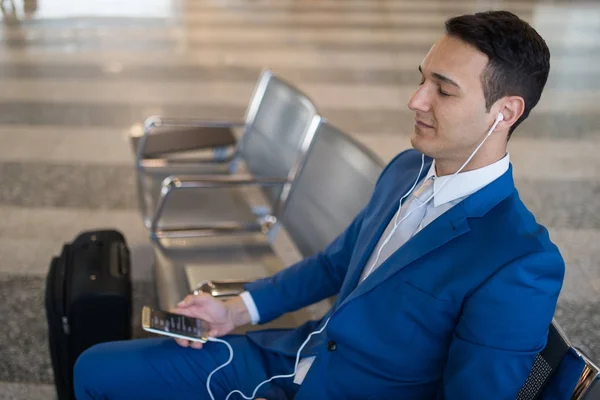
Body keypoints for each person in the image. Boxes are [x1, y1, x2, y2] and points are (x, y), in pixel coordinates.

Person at [74, 10, 564, 400]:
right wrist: (236, 311)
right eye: (422, 79)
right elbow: (336, 263)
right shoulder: (405, 169)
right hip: (291, 358)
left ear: (505, 112)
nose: (416, 100)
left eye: (443, 89)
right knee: (95, 369)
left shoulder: (519, 262)